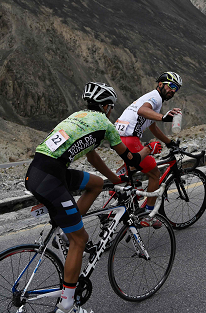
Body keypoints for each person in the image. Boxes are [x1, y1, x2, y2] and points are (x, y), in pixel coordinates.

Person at [25, 82, 157, 313]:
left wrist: (112, 180)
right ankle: (67, 304)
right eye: (111, 107)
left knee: (95, 184)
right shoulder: (105, 125)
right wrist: (149, 149)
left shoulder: (78, 116)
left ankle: (69, 230)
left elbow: (93, 158)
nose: (111, 111)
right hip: (52, 179)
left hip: (39, 171)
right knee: (81, 239)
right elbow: (133, 160)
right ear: (106, 107)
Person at [114, 71, 183, 227]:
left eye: (176, 88)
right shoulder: (155, 98)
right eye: (171, 86)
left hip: (119, 138)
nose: (173, 90)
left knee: (131, 172)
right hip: (129, 138)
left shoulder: (152, 98)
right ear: (160, 84)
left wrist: (168, 142)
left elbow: (151, 126)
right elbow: (142, 111)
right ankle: (148, 216)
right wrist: (164, 117)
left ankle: (117, 197)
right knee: (154, 174)